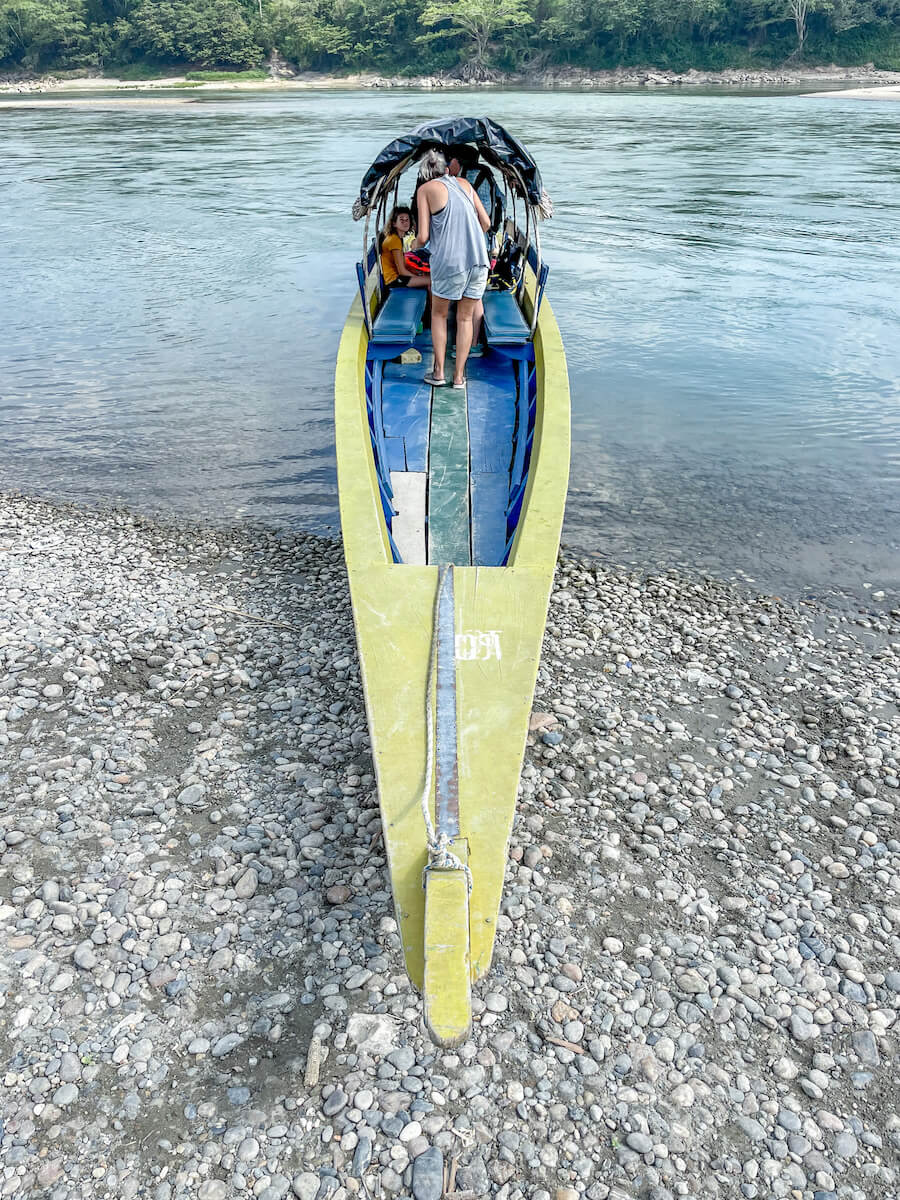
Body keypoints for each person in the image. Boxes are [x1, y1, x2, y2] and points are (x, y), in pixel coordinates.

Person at [415, 149, 491, 389]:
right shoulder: (465, 184)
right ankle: (459, 377)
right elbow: (486, 223)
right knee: (465, 317)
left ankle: (439, 373)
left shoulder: (425, 190)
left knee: (438, 314)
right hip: (479, 261)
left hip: (450, 263)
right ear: (447, 169)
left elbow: (424, 236)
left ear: (424, 174)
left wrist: (411, 247)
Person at [379, 205, 428, 290]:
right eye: (401, 220)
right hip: (394, 280)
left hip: (397, 277)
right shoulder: (394, 241)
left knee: (426, 275)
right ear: (394, 223)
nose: (405, 223)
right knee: (432, 281)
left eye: (407, 220)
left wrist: (418, 273)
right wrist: (417, 277)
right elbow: (402, 271)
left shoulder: (396, 237)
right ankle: (433, 303)